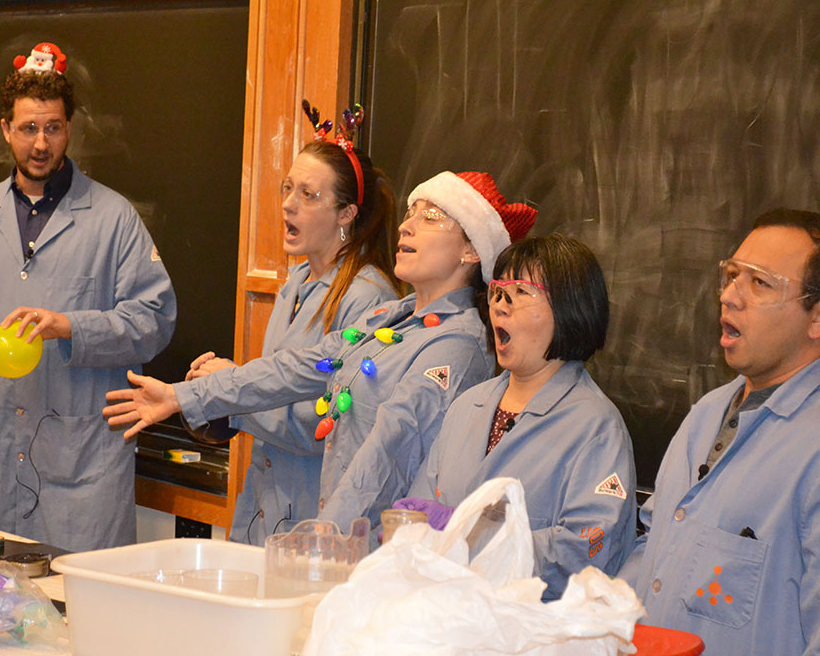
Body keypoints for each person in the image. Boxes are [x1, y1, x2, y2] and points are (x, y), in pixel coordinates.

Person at [106, 169, 538, 537]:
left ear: (472, 250)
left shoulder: (456, 347)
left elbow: (390, 450)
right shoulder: (391, 317)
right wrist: (183, 395)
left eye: (430, 218)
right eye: (409, 214)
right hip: (341, 538)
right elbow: (299, 367)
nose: (407, 227)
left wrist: (329, 536)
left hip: (374, 552)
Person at [0, 44, 176, 551]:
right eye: (27, 129)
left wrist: (71, 326)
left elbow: (155, 319)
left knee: (79, 612)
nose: (40, 144)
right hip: (0, 455)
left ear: (70, 128)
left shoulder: (113, 218)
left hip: (83, 465)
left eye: (53, 128)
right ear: (5, 129)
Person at [187, 102, 402, 545]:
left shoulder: (367, 297)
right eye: (288, 188)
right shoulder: (298, 281)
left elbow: (331, 427)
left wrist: (231, 394)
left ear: (347, 214)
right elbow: (281, 385)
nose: (288, 205)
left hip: (315, 519)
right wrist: (221, 390)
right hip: (263, 507)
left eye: (309, 195)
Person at [618, 209, 820, 654]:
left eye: (760, 282)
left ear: (816, 318)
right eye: (731, 276)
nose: (730, 296)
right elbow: (654, 542)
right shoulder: (707, 413)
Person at [397, 234, 636, 600]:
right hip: (446, 620)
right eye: (497, 292)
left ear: (570, 307)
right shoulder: (468, 406)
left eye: (521, 292)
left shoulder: (596, 427)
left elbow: (587, 550)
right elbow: (424, 512)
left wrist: (473, 537)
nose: (500, 307)